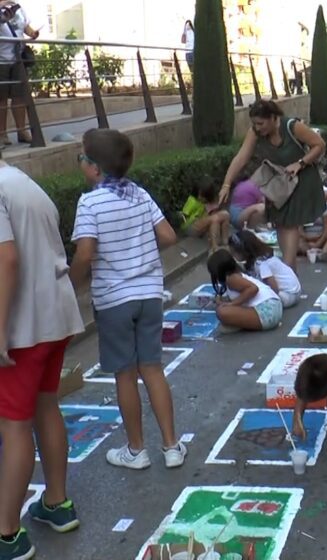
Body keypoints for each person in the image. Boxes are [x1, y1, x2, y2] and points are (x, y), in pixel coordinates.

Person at [69, 129, 186, 471]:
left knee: (124, 374)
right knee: (152, 368)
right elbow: (167, 235)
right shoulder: (138, 193)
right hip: (149, 292)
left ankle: (136, 450)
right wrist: (141, 258)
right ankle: (172, 446)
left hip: (113, 297)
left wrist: (73, 283)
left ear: (94, 168)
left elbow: (86, 252)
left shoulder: (90, 202)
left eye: (81, 157)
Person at [0, 161, 84, 559]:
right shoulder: (21, 181)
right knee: (46, 406)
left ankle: (7, 534)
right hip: (56, 315)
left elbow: (7, 261)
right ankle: (56, 502)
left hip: (24, 327)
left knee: (15, 427)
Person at [220, 100, 326, 271]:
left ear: (273, 118)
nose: (258, 127)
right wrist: (226, 184)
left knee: (290, 224)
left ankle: (289, 269)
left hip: (300, 180)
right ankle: (289, 270)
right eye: (254, 123)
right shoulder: (255, 132)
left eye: (261, 123)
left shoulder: (293, 126)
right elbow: (241, 157)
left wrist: (300, 163)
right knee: (280, 223)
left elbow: (319, 145)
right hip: (278, 184)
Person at [207, 249, 283, 332]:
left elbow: (253, 289)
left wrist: (232, 304)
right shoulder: (234, 277)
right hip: (274, 307)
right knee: (223, 309)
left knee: (222, 312)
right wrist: (223, 302)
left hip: (268, 311)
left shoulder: (232, 279)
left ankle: (240, 324)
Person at [229, 230, 301, 308]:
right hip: (293, 291)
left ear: (244, 251)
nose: (233, 256)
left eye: (234, 253)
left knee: (253, 297)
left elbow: (274, 287)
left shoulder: (260, 263)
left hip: (288, 295)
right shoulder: (262, 257)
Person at [0, 2, 38, 144]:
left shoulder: (18, 8)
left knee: (19, 97)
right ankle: (2, 134)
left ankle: (22, 131)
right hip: (1, 59)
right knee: (1, 98)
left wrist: (33, 33)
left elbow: (25, 26)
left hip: (18, 58)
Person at [183, 176, 230, 252]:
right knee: (214, 219)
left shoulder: (209, 202)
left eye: (203, 195)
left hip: (205, 225)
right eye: (199, 194)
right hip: (191, 226)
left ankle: (225, 244)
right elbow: (184, 217)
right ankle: (215, 248)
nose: (200, 197)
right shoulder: (193, 201)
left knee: (225, 214)